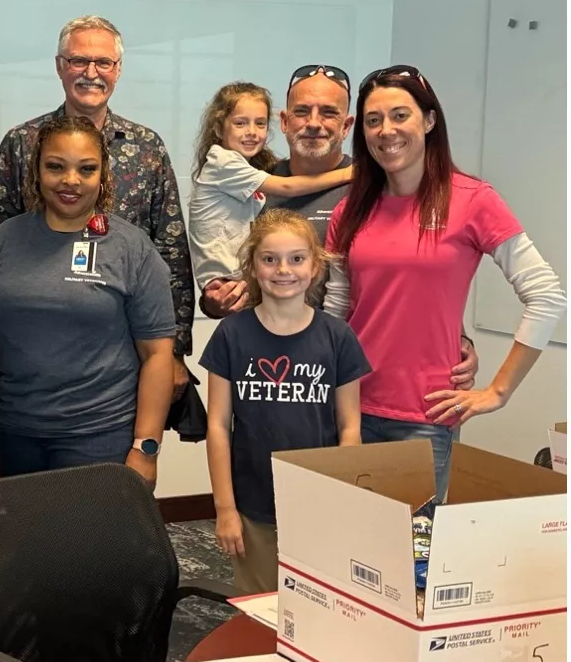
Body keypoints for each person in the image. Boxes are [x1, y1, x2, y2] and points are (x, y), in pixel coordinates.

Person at [324, 65, 566, 500]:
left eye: (401, 115)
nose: (386, 131)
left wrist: (498, 391)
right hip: (347, 406)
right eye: (374, 120)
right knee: (350, 551)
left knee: (415, 556)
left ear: (430, 121)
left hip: (424, 416)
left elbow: (547, 295)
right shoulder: (351, 210)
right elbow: (337, 311)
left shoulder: (473, 200)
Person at [199, 66, 480, 393]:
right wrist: (214, 301)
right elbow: (223, 262)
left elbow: (422, 272)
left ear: (347, 126)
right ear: (285, 122)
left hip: (353, 376)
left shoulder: (382, 187)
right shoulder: (253, 188)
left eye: (329, 113)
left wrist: (460, 339)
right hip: (264, 378)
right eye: (302, 112)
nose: (314, 123)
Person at [0, 15, 194, 399]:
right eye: (78, 61)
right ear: (60, 66)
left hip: (123, 351)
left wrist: (175, 347)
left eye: (103, 63)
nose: (91, 73)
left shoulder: (147, 148)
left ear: (118, 70)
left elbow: (171, 249)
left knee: (117, 457)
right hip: (33, 352)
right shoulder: (22, 143)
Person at [0, 115, 175, 488]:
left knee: (88, 545)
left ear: (103, 176)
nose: (71, 181)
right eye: (56, 167)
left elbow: (158, 355)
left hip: (100, 434)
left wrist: (146, 448)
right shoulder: (3, 242)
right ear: (36, 171)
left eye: (86, 169)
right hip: (16, 432)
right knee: (27, 543)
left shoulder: (132, 248)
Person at [204, 209, 369, 593]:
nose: (284, 270)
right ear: (252, 266)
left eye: (297, 258)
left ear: (315, 266)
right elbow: (217, 426)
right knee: (260, 609)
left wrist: (342, 497)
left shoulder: (337, 336)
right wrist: (225, 509)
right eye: (269, 259)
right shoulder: (231, 334)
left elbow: (350, 427)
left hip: (319, 503)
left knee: (319, 606)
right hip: (253, 506)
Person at [187, 81, 352, 297]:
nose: (252, 132)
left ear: (347, 126)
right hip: (233, 281)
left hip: (327, 321)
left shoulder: (251, 172)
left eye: (260, 124)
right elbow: (287, 186)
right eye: (240, 123)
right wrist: (349, 173)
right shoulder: (225, 163)